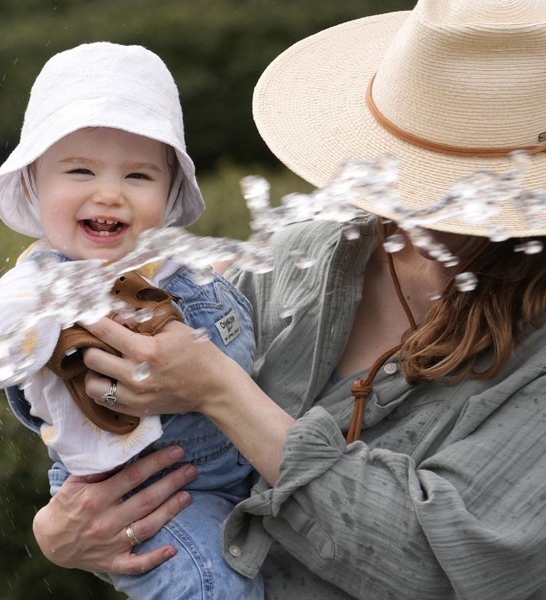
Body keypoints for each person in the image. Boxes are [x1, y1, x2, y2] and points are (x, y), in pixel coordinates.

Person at [30, 2, 546, 599]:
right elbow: (182, 477)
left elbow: (438, 568)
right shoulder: (312, 254)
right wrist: (67, 532)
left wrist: (222, 392)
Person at [0, 42, 264, 599]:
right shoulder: (46, 283)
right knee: (209, 584)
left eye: (138, 176)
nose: (109, 192)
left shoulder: (173, 259)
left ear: (170, 190)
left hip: (242, 474)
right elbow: (4, 330)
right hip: (151, 497)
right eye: (81, 170)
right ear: (35, 186)